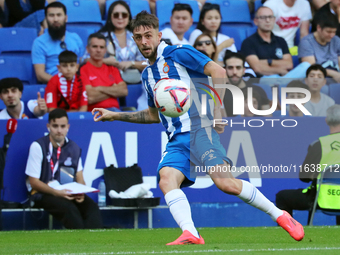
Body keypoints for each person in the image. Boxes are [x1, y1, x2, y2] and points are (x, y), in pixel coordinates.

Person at [92, 11, 305, 245]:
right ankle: (190, 232)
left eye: (148, 35)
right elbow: (153, 115)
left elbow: (218, 71)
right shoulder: (146, 76)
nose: (144, 42)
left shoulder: (178, 53)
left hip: (199, 130)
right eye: (138, 37)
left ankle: (281, 215)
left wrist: (217, 110)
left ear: (158, 35)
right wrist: (115, 115)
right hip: (176, 139)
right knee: (166, 179)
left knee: (226, 184)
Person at [25, 108, 102, 229]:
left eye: (62, 126)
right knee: (69, 209)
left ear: (68, 127)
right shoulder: (38, 146)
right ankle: (79, 242)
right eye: (55, 126)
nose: (59, 130)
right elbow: (33, 182)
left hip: (67, 192)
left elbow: (80, 178)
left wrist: (80, 193)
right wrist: (56, 192)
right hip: (43, 194)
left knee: (92, 207)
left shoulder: (74, 148)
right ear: (48, 126)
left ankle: (94, 242)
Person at [276, 104, 340, 224]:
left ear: (326, 121)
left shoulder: (319, 145)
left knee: (282, 196)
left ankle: (292, 231)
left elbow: (304, 176)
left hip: (321, 199)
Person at [241, 6, 310, 81]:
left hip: (284, 77)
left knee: (306, 66)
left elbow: (289, 64)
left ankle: (285, 83)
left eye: (270, 17)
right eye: (263, 17)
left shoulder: (281, 41)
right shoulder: (248, 42)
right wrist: (280, 70)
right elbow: (257, 68)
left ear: (274, 20)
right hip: (264, 80)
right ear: (255, 21)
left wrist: (267, 62)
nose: (267, 20)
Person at [32, 2, 84, 83]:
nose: (55, 19)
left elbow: (82, 64)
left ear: (66, 18)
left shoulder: (75, 38)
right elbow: (40, 75)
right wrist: (62, 83)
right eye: (51, 15)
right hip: (53, 85)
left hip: (76, 85)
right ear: (46, 19)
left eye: (59, 15)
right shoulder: (39, 42)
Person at [93, 0, 145, 73]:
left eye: (124, 15)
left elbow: (147, 63)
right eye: (116, 15)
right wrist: (104, 61)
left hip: (134, 80)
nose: (120, 18)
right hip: (108, 80)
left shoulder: (137, 37)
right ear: (110, 17)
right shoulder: (101, 37)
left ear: (128, 17)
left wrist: (131, 63)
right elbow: (85, 60)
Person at [80, 33, 128, 112]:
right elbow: (90, 97)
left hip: (115, 112)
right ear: (88, 49)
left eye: (101, 47)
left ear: (105, 50)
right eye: (94, 46)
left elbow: (124, 91)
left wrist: (99, 88)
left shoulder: (112, 68)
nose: (98, 50)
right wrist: (113, 90)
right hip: (94, 113)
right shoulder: (83, 69)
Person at [223, 52, 270, 117]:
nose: (234, 72)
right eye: (230, 68)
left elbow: (269, 120)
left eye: (238, 68)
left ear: (244, 70)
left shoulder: (258, 90)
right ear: (225, 70)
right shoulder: (220, 92)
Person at [299, 13, 340, 83]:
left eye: (334, 32)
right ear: (319, 28)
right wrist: (334, 74)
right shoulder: (307, 42)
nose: (332, 35)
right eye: (329, 32)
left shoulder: (336, 40)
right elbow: (312, 70)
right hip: (319, 80)